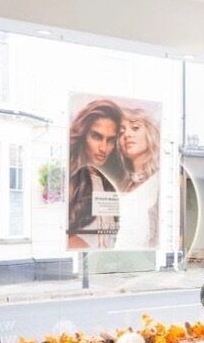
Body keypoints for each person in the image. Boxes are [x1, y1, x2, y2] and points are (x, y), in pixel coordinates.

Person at [67, 99, 124, 250]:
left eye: (110, 140)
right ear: (83, 135)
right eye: (97, 137)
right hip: (83, 262)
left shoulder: (110, 184)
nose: (103, 148)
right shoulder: (71, 180)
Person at [115, 107, 161, 250]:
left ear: (150, 133)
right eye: (121, 132)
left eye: (135, 128)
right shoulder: (122, 183)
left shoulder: (159, 180)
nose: (127, 135)